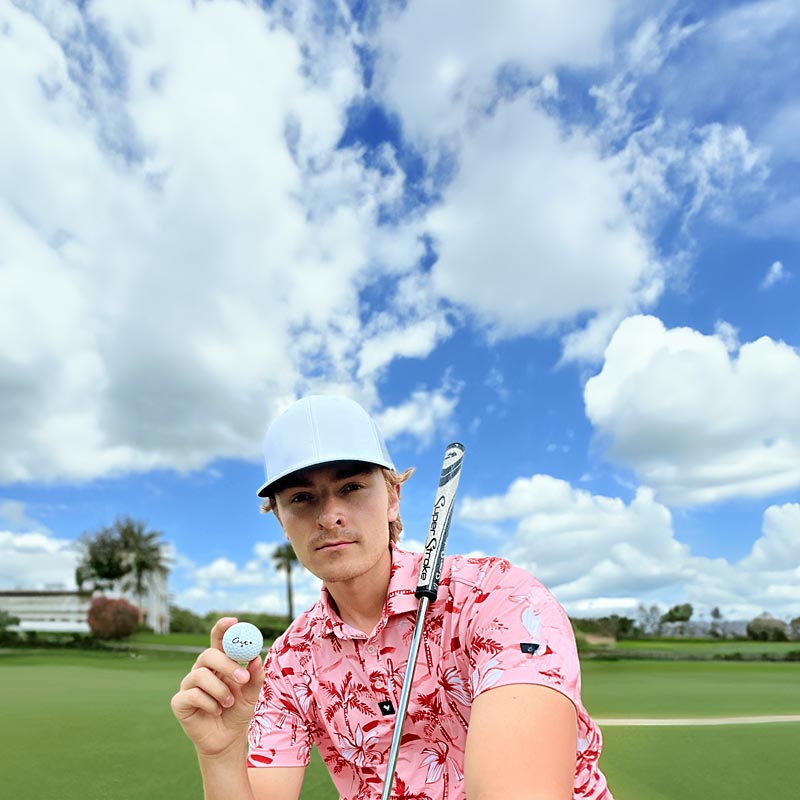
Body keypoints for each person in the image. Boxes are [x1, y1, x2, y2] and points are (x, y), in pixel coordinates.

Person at [171, 395, 612, 799]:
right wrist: (221, 754)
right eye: (302, 498)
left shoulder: (499, 599)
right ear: (282, 523)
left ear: (393, 499)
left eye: (351, 488)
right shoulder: (290, 660)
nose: (329, 516)